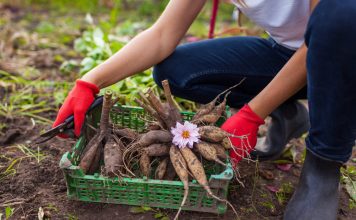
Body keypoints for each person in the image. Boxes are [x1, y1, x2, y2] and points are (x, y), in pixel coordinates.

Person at [53, 0, 356, 219]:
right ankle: (287, 112)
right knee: (177, 71)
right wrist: (90, 82)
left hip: (344, 49)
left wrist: (252, 113)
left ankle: (323, 168)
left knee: (343, 14)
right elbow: (161, 36)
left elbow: (323, 41)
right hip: (283, 52)